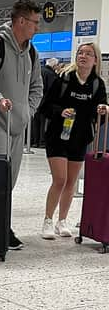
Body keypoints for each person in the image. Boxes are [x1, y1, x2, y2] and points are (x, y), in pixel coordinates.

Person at [0, 0, 44, 250]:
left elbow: (37, 87)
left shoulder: (33, 53)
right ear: (21, 21)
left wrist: (28, 111)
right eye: (35, 22)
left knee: (10, 182)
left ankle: (2, 225)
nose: (37, 28)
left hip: (18, 127)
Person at [40, 43, 108, 239]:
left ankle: (62, 220)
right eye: (80, 53)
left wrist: (103, 110)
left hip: (80, 137)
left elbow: (101, 107)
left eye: (88, 54)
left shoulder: (97, 84)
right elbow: (45, 106)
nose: (83, 56)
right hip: (58, 136)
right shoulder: (64, 79)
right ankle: (48, 220)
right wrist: (61, 111)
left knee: (71, 181)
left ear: (95, 60)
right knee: (59, 179)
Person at [32, 57, 59, 147]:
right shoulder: (51, 74)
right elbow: (53, 90)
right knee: (44, 122)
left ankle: (35, 142)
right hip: (45, 102)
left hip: (34, 101)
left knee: (35, 122)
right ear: (54, 66)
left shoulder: (38, 71)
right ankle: (42, 142)